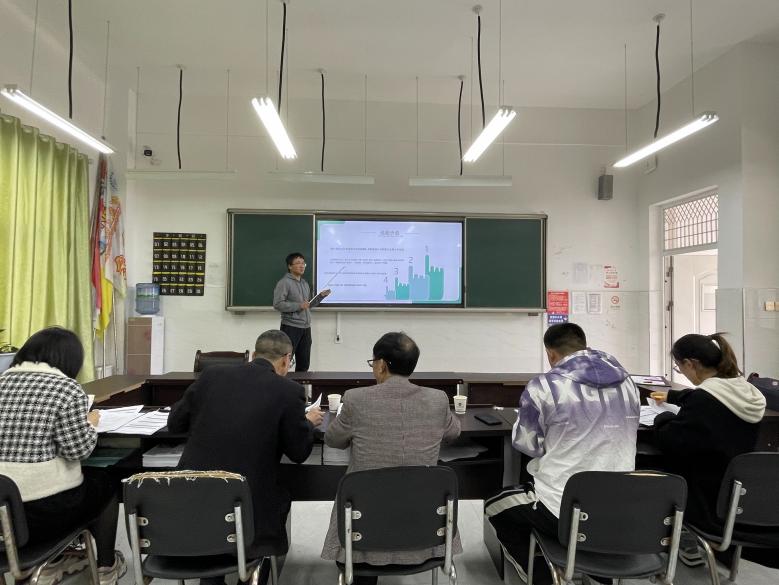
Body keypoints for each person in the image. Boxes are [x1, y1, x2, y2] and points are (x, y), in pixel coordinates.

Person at [485, 323, 640, 585]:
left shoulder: (543, 387)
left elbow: (528, 445)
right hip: (621, 507)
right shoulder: (628, 383)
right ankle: (599, 575)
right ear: (584, 345)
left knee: (494, 506)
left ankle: (544, 578)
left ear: (551, 354)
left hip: (562, 507)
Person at [167, 329, 324, 584]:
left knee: (215, 520)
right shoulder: (288, 391)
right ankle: (254, 569)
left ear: (253, 355)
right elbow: (298, 453)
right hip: (247, 505)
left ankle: (213, 576)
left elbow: (175, 423)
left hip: (192, 498)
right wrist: (307, 423)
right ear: (286, 360)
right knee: (278, 496)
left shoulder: (211, 375)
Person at [321, 332, 461, 584]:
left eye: (373, 362)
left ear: (382, 365)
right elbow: (453, 432)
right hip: (424, 529)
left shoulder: (356, 399)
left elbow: (332, 439)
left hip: (363, 532)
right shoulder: (437, 399)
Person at [0, 327, 124, 585]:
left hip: (4, 513)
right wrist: (89, 424)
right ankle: (106, 566)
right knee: (105, 483)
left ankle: (54, 561)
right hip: (42, 512)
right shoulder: (66, 389)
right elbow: (78, 450)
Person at [651, 333, 771, 567]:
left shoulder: (703, 402)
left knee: (654, 466)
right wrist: (674, 396)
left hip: (705, 501)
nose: (681, 372)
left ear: (690, 364)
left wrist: (662, 417)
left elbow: (671, 440)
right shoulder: (748, 393)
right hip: (737, 497)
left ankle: (681, 539)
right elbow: (711, 399)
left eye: (678, 367)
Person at [272, 252, 329, 372]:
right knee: (284, 362)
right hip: (291, 327)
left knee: (304, 364)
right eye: (298, 263)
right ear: (290, 266)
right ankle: (281, 383)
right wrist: (298, 305)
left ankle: (301, 384)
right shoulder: (284, 283)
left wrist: (320, 297)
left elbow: (307, 305)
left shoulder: (304, 283)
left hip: (306, 328)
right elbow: (278, 304)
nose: (302, 266)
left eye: (303, 263)